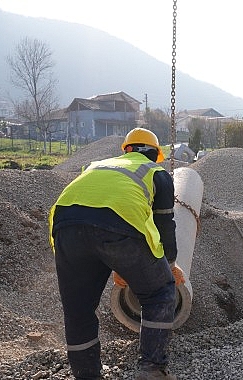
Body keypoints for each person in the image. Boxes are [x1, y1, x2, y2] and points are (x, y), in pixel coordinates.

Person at [49, 127, 184, 380]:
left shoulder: (96, 166)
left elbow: (93, 220)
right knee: (159, 293)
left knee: (78, 310)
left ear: (126, 150)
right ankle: (152, 369)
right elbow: (164, 224)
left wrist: (118, 265)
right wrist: (170, 266)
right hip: (120, 228)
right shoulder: (156, 173)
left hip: (65, 228)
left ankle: (86, 375)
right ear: (155, 154)